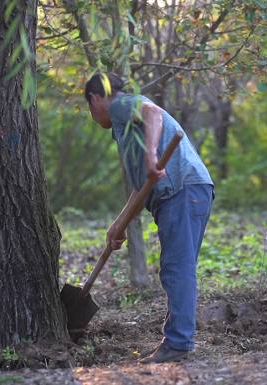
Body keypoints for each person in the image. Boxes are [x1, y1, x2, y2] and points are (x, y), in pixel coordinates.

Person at [84, 72, 214, 363]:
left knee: (176, 268)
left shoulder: (120, 105)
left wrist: (151, 155)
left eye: (89, 108)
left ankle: (178, 344)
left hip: (183, 191)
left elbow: (152, 111)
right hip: (191, 191)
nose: (92, 115)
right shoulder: (125, 127)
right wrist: (119, 224)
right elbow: (141, 187)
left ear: (95, 99)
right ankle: (176, 340)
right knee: (177, 268)